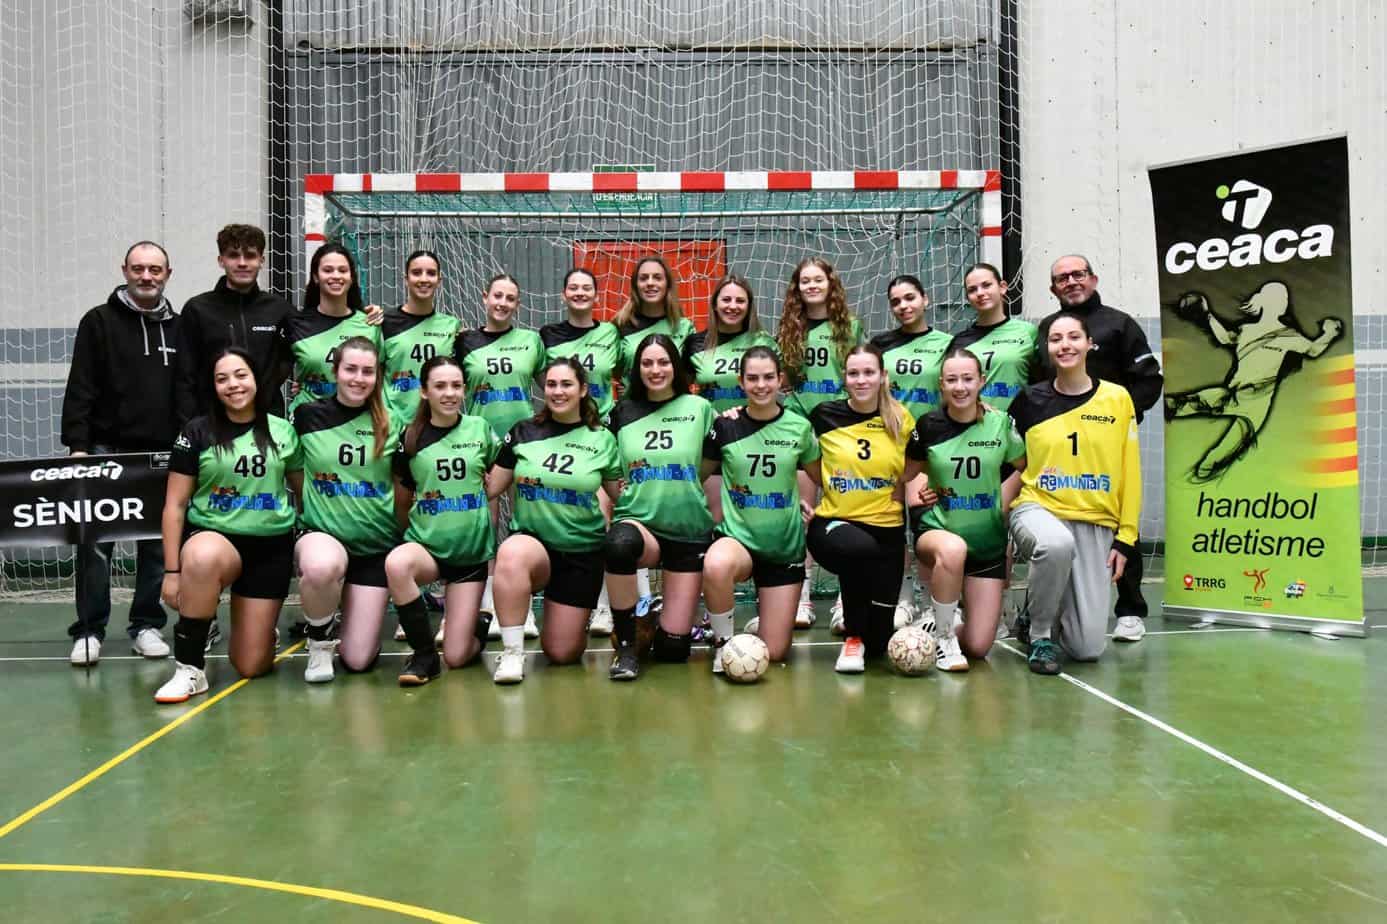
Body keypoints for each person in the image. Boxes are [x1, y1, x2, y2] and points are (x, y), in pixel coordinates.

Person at [154, 348, 301, 703]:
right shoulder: (197, 432)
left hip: (270, 548)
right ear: (213, 387)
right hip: (216, 539)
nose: (233, 384)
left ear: (256, 380)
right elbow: (174, 505)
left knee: (251, 666)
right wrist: (172, 572)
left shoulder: (283, 431)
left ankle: (260, 632)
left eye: (241, 375)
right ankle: (190, 669)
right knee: (202, 556)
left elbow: (303, 492)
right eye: (222, 379)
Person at [61, 241, 179, 666]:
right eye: (138, 268)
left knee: (157, 545)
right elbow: (81, 386)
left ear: (168, 274)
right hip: (103, 451)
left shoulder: (179, 327)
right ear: (124, 270)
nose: (147, 276)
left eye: (155, 269)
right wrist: (78, 447)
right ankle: (89, 630)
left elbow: (187, 391)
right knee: (95, 546)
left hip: (160, 455)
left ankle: (146, 625)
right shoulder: (98, 321)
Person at [1036, 254, 1161, 642]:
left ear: (1093, 278)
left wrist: (1118, 420)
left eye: (1078, 274)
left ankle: (1130, 609)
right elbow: (1037, 385)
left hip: (1107, 445)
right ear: (1053, 288)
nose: (1071, 281)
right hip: (1060, 446)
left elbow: (1149, 381)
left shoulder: (1120, 324)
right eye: (1062, 278)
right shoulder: (1046, 328)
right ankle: (1048, 614)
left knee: (1121, 516)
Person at [1009, 313, 1141, 676]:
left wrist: (1126, 537)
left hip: (1095, 521)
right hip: (1038, 510)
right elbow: (1009, 463)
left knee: (1087, 649)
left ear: (1089, 344)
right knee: (1056, 545)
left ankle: (1032, 611)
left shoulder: (1117, 399)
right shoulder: (1029, 400)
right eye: (1056, 339)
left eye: (1073, 337)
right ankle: (1039, 634)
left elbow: (1131, 472)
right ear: (1047, 348)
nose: (1064, 345)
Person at [486, 357, 623, 684]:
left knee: (562, 653)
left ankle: (567, 616)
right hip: (534, 547)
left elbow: (621, 494)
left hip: (581, 553)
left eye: (566, 384)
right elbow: (490, 487)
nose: (557, 391)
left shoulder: (602, 439)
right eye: (551, 384)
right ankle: (512, 652)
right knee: (511, 553)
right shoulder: (523, 432)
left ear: (583, 390)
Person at [903, 347, 1027, 670]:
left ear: (981, 381)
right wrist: (919, 496)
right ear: (941, 384)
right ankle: (944, 638)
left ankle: (928, 634)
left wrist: (1002, 501)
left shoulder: (1001, 424)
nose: (960, 387)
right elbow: (905, 474)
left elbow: (1025, 468)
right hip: (939, 531)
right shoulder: (928, 425)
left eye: (968, 379)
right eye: (952, 380)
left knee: (978, 645)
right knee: (953, 549)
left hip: (987, 543)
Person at [604, 333, 716, 681]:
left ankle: (653, 619)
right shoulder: (622, 412)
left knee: (673, 651)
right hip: (641, 524)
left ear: (676, 366)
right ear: (637, 369)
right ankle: (626, 647)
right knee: (619, 544)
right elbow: (605, 464)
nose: (656, 370)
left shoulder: (699, 409)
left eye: (663, 362)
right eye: (647, 363)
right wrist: (616, 493)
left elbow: (713, 461)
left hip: (688, 531)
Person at [701, 347, 820, 672]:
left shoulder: (798, 427)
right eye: (752, 378)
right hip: (738, 540)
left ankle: (764, 624)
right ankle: (723, 645)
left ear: (780, 379)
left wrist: (816, 507)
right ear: (741, 381)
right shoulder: (725, 426)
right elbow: (696, 476)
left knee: (775, 652)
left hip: (783, 547)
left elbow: (822, 477)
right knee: (716, 564)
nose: (761, 385)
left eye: (768, 377)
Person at [387, 355, 501, 686]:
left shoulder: (480, 429)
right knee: (397, 564)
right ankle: (424, 655)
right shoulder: (409, 438)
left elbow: (501, 474)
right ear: (424, 391)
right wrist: (417, 532)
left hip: (469, 555)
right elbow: (402, 501)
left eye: (456, 386)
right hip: (428, 548)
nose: (449, 393)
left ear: (464, 389)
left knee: (457, 656)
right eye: (440, 386)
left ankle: (477, 623)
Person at [291, 337, 400, 684]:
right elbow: (294, 472)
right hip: (323, 535)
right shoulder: (306, 416)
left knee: (357, 659)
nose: (358, 378)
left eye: (368, 371)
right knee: (321, 566)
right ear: (335, 371)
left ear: (377, 376)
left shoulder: (392, 422)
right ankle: (320, 643)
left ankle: (351, 622)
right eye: (350, 369)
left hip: (375, 547)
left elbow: (405, 482)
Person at [804, 344, 914, 673]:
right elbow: (797, 453)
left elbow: (916, 466)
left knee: (879, 642)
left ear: (883, 376)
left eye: (869, 372)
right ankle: (852, 636)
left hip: (888, 530)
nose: (861, 380)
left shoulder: (901, 419)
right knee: (859, 550)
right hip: (835, 524)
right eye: (854, 373)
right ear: (844, 377)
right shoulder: (824, 415)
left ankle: (865, 633)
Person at [1164, 281, 1342, 481]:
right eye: (1280, 298)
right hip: (1239, 395)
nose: (1284, 301)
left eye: (1284, 298)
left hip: (1255, 405)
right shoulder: (1250, 330)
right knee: (1208, 402)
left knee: (1210, 462)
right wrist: (1330, 332)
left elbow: (1312, 350)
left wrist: (1329, 334)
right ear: (1267, 301)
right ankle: (1175, 406)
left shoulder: (1287, 335)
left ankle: (1180, 409)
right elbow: (1226, 338)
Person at [456, 272, 546, 637]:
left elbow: (552, 387)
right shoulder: (464, 342)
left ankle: (524, 608)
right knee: (486, 528)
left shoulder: (531, 341)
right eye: (497, 296)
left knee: (524, 525)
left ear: (518, 304)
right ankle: (489, 605)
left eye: (510, 298)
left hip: (523, 443)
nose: (503, 303)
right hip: (482, 444)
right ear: (485, 297)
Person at [776, 256, 863, 630]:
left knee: (845, 511)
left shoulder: (850, 327)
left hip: (839, 427)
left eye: (818, 280)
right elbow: (782, 381)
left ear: (830, 284)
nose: (811, 286)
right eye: (805, 281)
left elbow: (860, 376)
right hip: (800, 425)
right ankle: (802, 598)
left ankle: (847, 598)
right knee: (802, 513)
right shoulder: (788, 329)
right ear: (797, 288)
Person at [539, 267, 623, 635]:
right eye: (573, 287)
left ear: (596, 295)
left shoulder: (611, 333)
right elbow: (541, 379)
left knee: (606, 517)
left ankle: (605, 606)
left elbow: (625, 374)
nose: (579, 292)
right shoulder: (547, 336)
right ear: (563, 294)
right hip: (562, 436)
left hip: (601, 434)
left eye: (586, 287)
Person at [869, 273, 954, 628]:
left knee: (924, 521)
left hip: (929, 447)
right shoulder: (880, 345)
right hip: (889, 445)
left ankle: (932, 601)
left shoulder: (947, 344)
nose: (903, 306)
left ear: (925, 300)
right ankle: (902, 597)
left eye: (910, 298)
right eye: (896, 301)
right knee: (891, 523)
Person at [683, 274, 779, 530]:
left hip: (756, 436)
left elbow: (777, 387)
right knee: (715, 521)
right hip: (711, 438)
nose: (732, 306)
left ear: (749, 305)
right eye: (726, 300)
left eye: (740, 300)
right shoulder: (695, 343)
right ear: (715, 304)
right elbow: (681, 394)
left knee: (757, 516)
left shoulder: (763, 342)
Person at [174, 224, 291, 426]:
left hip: (268, 423)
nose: (242, 263)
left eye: (250, 256)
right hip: (212, 425)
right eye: (233, 255)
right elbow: (184, 377)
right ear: (221, 260)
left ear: (262, 260)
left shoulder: (280, 309)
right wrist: (192, 427)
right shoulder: (197, 309)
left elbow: (305, 347)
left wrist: (271, 383)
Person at [285, 243, 381, 417]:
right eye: (328, 270)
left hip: (355, 420)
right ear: (316, 277)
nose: (336, 276)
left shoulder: (369, 324)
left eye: (342, 270)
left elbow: (382, 376)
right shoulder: (297, 324)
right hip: (308, 421)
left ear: (351, 277)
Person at [382, 250, 462, 428]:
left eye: (431, 273)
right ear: (406, 279)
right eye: (417, 273)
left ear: (439, 281)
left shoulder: (451, 326)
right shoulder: (385, 323)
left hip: (437, 425)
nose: (424, 279)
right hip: (394, 424)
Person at [949, 263, 1038, 412]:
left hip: (1018, 421)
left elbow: (1041, 382)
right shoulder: (959, 342)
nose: (980, 293)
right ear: (968, 298)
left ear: (1002, 287)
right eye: (972, 289)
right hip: (975, 422)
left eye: (986, 285)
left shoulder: (1028, 332)